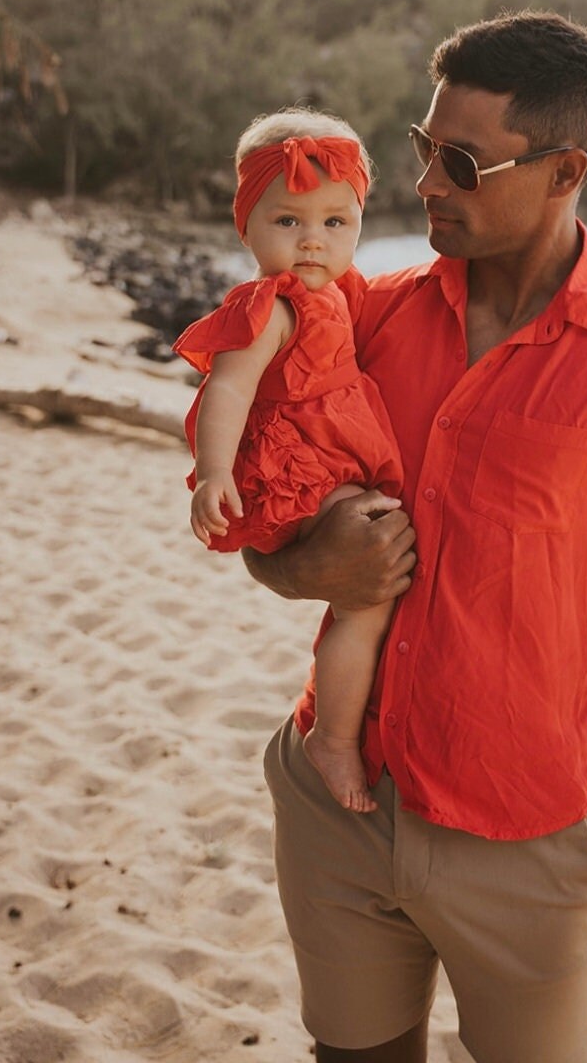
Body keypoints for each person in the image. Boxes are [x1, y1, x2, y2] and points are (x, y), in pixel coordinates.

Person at [248, 12, 587, 1061]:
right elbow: (254, 507)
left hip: (528, 844)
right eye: (426, 148)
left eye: (463, 163)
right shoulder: (364, 319)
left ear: (565, 171)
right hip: (338, 802)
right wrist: (296, 568)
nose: (427, 182)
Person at [174, 108, 403, 813]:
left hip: (329, 461)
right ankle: (333, 738)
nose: (312, 239)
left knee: (368, 588)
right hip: (295, 475)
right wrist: (215, 472)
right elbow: (228, 388)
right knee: (366, 599)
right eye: (287, 221)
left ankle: (338, 723)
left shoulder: (336, 292)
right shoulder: (270, 306)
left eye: (336, 221)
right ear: (246, 227)